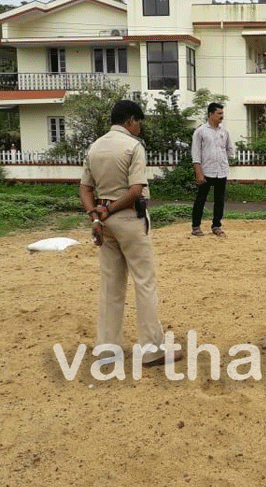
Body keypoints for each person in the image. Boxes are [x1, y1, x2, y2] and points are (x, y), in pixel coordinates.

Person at [79, 99, 182, 367]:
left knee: (111, 286)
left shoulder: (95, 147)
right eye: (139, 122)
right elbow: (136, 189)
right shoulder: (133, 147)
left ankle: (107, 348)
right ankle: (152, 350)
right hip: (130, 219)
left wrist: (96, 214)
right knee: (144, 282)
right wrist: (111, 209)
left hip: (104, 221)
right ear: (130, 121)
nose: (139, 127)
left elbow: (85, 189)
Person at [190, 102, 234, 237]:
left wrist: (223, 161)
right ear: (210, 114)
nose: (222, 116)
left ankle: (216, 226)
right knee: (200, 199)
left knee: (219, 200)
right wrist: (199, 172)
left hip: (221, 171)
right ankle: (196, 226)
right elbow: (196, 154)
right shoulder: (201, 131)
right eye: (219, 113)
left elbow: (229, 149)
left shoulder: (224, 131)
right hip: (206, 171)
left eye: (222, 113)